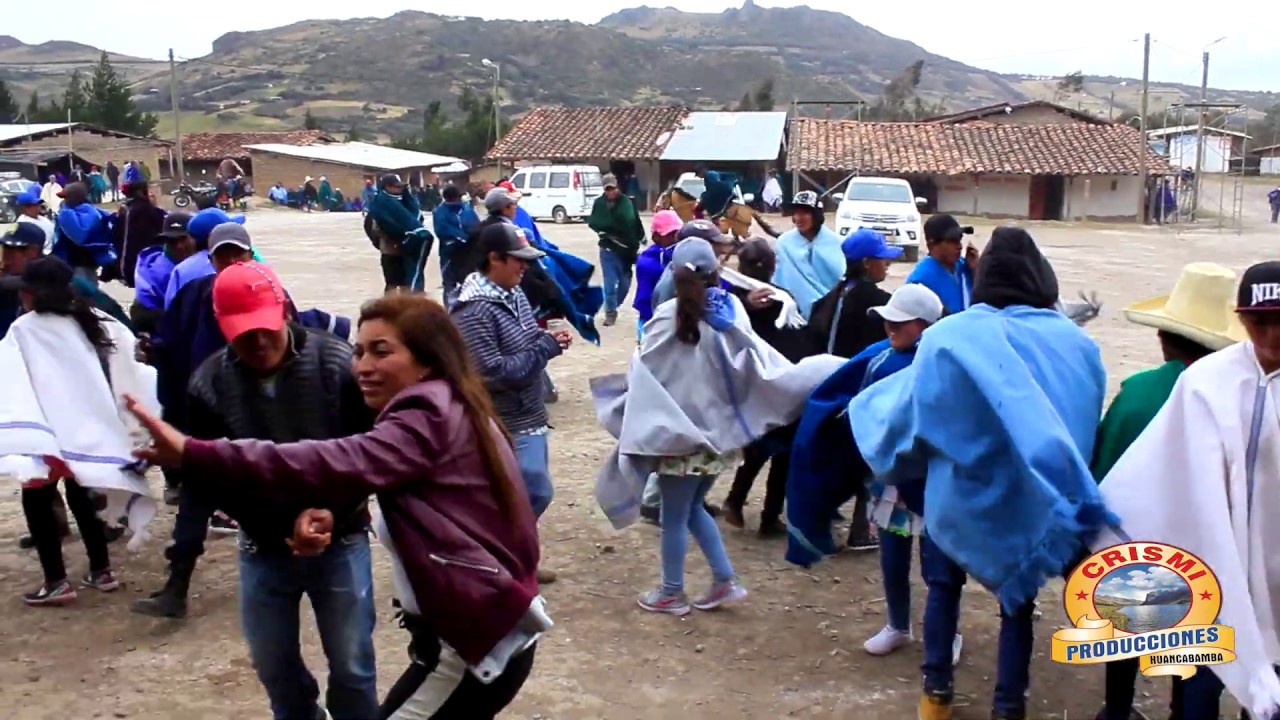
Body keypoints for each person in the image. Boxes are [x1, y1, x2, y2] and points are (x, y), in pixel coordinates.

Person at [128, 293, 547, 719]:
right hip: (465, 638)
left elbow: (333, 460)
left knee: (352, 669)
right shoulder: (447, 402)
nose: (363, 366)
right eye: (360, 351)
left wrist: (196, 452)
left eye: (382, 352)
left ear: (428, 359)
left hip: (474, 648)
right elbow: (355, 469)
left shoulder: (426, 413)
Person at [850, 227, 1111, 720]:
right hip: (1030, 504)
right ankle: (1008, 706)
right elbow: (1081, 422)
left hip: (956, 498)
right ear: (1041, 277)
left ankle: (936, 694)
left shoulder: (949, 337)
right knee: (1017, 604)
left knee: (943, 588)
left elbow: (915, 422)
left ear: (984, 276)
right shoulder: (1076, 344)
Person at [134, 261, 380, 719]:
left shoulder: (337, 366)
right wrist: (273, 523)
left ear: (284, 310)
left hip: (341, 540)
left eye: (265, 328)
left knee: (353, 666)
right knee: (274, 666)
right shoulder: (209, 384)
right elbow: (212, 478)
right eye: (244, 333)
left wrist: (333, 510)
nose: (259, 342)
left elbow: (370, 455)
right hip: (263, 547)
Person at [592, 237, 844, 614]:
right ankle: (724, 580)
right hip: (716, 439)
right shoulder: (731, 311)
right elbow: (756, 362)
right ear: (716, 272)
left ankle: (671, 592)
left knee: (674, 516)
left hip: (677, 437)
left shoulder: (667, 317)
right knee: (692, 508)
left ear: (674, 273)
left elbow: (645, 373)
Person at [1090, 261, 1280, 720]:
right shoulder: (1205, 384)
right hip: (1212, 558)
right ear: (1241, 320)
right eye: (1260, 322)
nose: (1273, 334)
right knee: (1203, 672)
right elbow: (1158, 474)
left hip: (1275, 562)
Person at [1, 256, 156, 606]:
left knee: (37, 502)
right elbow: (131, 359)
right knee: (83, 496)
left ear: (31, 294)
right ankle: (101, 570)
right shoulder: (93, 319)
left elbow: (9, 378)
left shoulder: (25, 329)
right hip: (88, 430)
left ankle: (56, 581)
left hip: (48, 433)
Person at [452, 223, 567, 585]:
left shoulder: (513, 294)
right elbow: (492, 374)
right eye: (518, 259)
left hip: (529, 414)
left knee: (525, 495)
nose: (525, 266)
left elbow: (526, 340)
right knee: (532, 491)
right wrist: (545, 348)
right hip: (501, 422)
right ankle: (495, 559)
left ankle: (517, 560)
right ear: (494, 259)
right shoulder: (473, 313)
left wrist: (544, 340)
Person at [720, 238, 818, 535]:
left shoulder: (729, 301)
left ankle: (736, 500)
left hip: (750, 384)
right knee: (782, 453)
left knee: (757, 447)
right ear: (774, 267)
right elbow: (799, 337)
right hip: (782, 382)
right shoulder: (781, 298)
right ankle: (769, 516)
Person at [809, 227, 900, 359]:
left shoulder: (830, 299)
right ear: (866, 263)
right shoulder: (881, 304)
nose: (888, 263)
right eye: (882, 257)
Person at [772, 191, 843, 319]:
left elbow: (842, 279)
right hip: (795, 314)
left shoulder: (837, 243)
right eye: (796, 213)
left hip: (831, 314)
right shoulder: (784, 243)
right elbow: (779, 279)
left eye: (804, 212)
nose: (798, 218)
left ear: (816, 215)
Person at [587, 173, 645, 326]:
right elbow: (594, 222)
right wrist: (606, 230)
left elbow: (633, 221)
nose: (611, 192)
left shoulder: (626, 203)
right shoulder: (599, 203)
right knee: (610, 283)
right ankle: (610, 313)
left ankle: (614, 305)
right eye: (607, 189)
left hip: (626, 250)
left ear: (617, 187)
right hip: (607, 249)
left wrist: (639, 237)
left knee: (625, 284)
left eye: (613, 188)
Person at [131, 212, 196, 333]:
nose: (179, 246)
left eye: (183, 239)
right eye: (172, 241)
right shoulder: (151, 272)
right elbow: (139, 317)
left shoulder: (206, 265)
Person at [367, 173, 432, 293]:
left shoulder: (406, 203)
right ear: (387, 186)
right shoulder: (380, 205)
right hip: (390, 250)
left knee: (406, 283)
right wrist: (388, 240)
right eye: (397, 186)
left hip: (408, 251)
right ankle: (390, 305)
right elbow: (371, 228)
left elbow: (416, 220)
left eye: (401, 187)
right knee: (391, 284)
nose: (400, 189)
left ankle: (406, 303)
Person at [906, 214, 977, 315]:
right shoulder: (921, 280)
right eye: (951, 241)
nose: (959, 246)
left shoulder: (965, 266)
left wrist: (976, 270)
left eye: (959, 239)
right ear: (931, 245)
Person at [53, 181, 117, 287]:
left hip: (77, 260)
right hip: (89, 260)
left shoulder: (67, 213)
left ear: (75, 197)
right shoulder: (95, 211)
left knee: (83, 291)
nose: (64, 200)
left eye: (66, 197)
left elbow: (79, 236)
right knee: (89, 288)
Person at [632, 209, 683, 342]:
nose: (676, 238)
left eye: (678, 233)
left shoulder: (679, 253)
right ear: (656, 237)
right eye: (670, 234)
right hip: (650, 317)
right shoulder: (648, 261)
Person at [111, 171, 167, 287]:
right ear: (142, 192)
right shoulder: (146, 211)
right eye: (149, 190)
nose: (152, 194)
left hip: (133, 265)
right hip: (146, 265)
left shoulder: (126, 209)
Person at [433, 184, 480, 306]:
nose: (455, 201)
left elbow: (476, 226)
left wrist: (472, 239)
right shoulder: (440, 212)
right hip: (449, 254)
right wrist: (463, 238)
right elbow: (442, 231)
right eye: (452, 198)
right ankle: (449, 312)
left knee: (469, 282)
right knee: (449, 285)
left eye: (457, 198)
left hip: (468, 254)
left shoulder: (467, 210)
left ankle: (469, 310)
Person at [13, 188, 54, 255]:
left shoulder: (42, 218)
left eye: (38, 204)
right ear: (24, 208)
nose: (38, 207)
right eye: (34, 205)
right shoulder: (23, 224)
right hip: (41, 256)